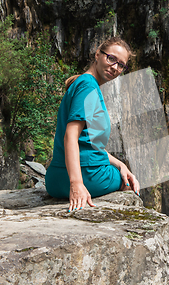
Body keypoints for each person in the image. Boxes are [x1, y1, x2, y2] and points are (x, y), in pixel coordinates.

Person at [45, 37, 140, 212]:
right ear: (97, 54)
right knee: (128, 184)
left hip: (55, 179)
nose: (115, 68)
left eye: (121, 65)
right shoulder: (88, 87)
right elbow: (70, 136)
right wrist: (77, 184)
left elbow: (88, 142)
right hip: (87, 176)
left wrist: (120, 164)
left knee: (122, 172)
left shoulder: (83, 83)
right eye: (111, 59)